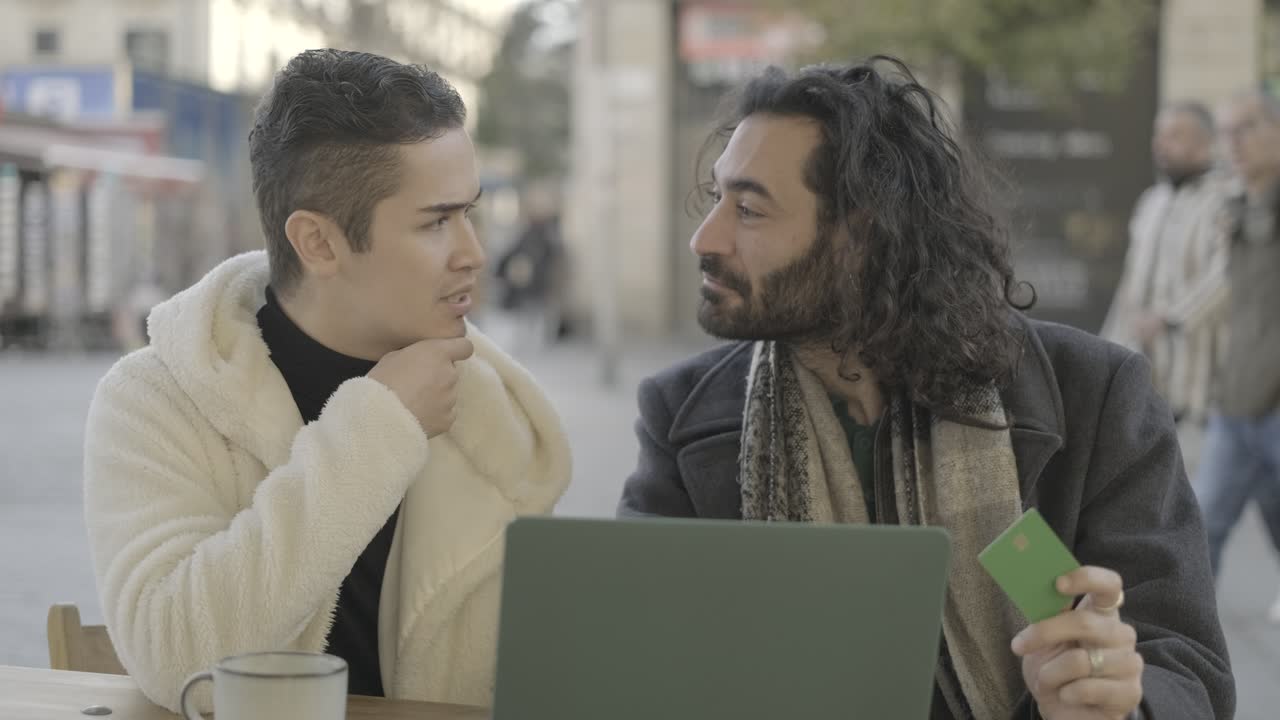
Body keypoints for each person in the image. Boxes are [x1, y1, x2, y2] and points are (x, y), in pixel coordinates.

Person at [618, 58, 1232, 719]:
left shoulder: (1095, 395)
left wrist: (1118, 703)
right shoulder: (683, 419)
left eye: (748, 209)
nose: (704, 238)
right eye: (716, 199)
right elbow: (635, 663)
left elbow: (1187, 666)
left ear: (860, 235)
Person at [83, 50, 572, 713]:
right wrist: (380, 427)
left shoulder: (495, 414)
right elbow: (178, 656)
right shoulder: (157, 401)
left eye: (471, 213)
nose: (474, 253)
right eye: (436, 222)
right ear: (318, 243)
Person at [1101, 101, 1228, 477]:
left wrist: (1171, 318)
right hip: (1148, 373)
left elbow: (1226, 278)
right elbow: (1130, 285)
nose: (1162, 144)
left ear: (1204, 143)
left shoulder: (1225, 201)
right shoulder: (1151, 202)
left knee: (1204, 498)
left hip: (1202, 385)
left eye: (1175, 136)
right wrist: (1109, 348)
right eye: (1160, 135)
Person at [1194, 89, 1280, 622]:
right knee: (1201, 524)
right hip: (1239, 401)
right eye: (1226, 132)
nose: (1234, 143)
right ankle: (1184, 644)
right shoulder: (1237, 208)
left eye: (1246, 128)